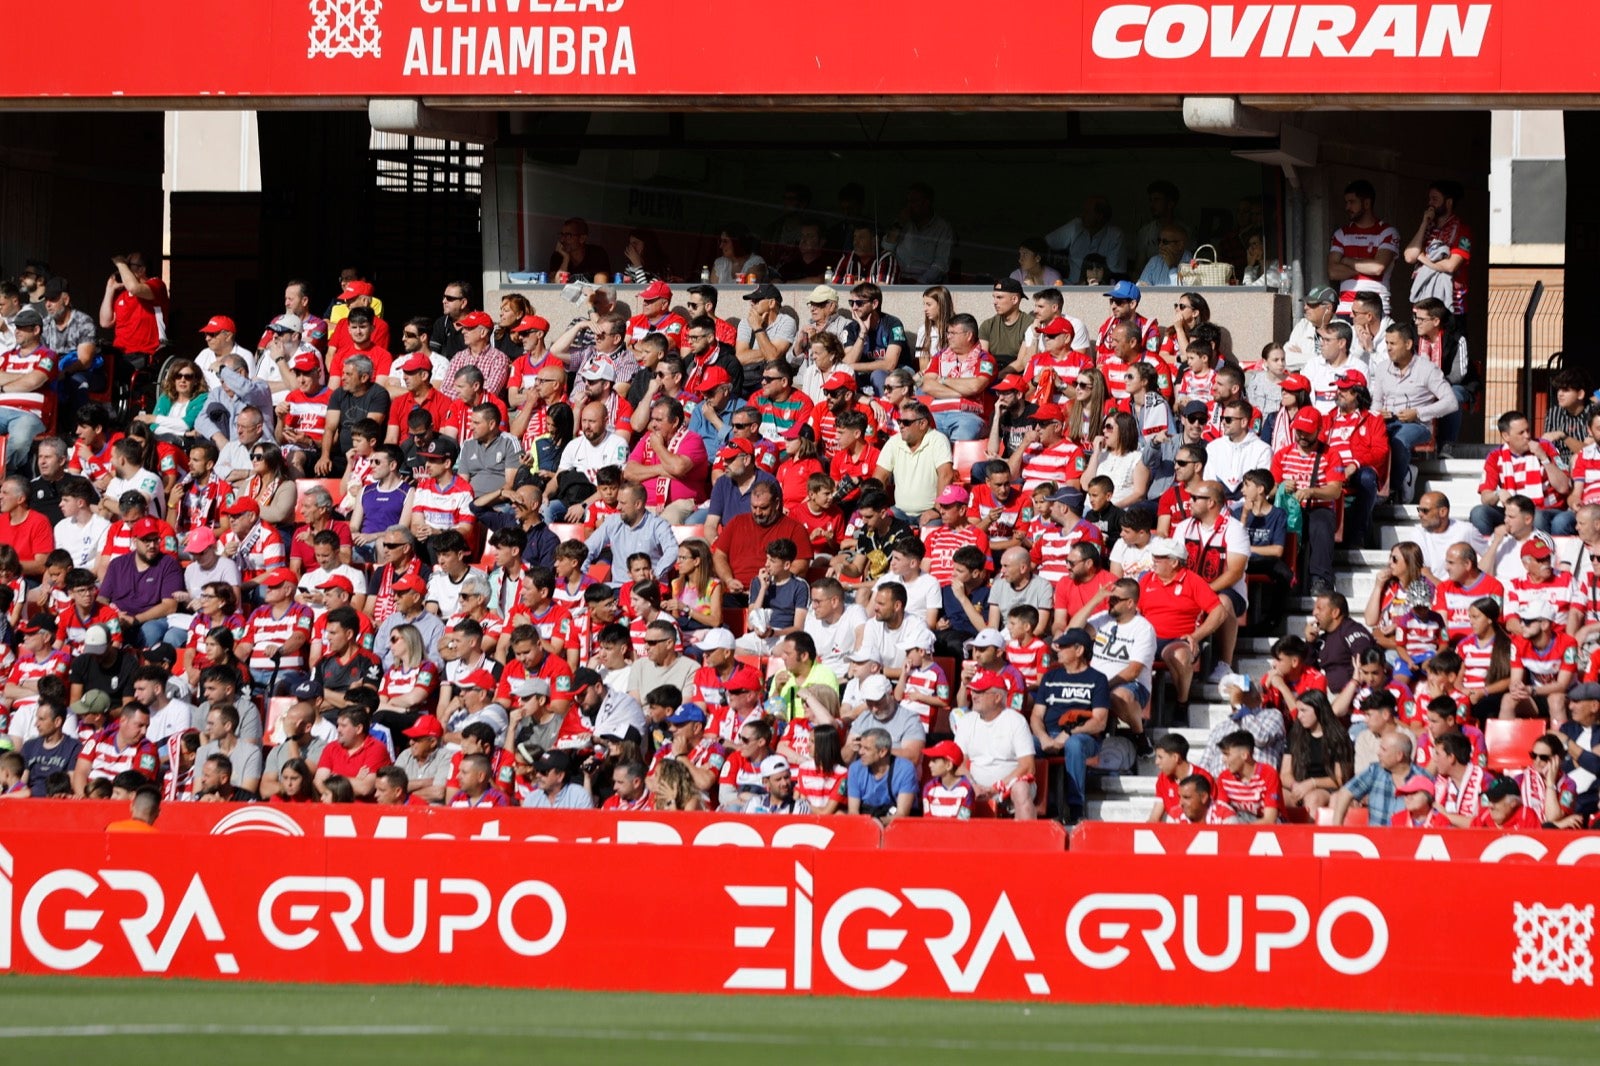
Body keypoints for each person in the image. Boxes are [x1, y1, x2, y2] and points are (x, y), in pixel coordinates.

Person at [1370, 322, 1457, 505]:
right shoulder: (1382, 368)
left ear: (1408, 345)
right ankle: (1393, 478)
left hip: (1417, 424)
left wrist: (1417, 413)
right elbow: (1376, 401)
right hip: (1387, 421)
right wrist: (1379, 413)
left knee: (1398, 440)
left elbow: (1451, 402)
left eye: (1393, 344)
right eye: (1387, 343)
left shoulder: (1427, 369)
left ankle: (1391, 490)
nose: (1388, 348)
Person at [1473, 409, 1575, 537]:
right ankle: (1490, 553)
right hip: (1513, 512)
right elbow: (1485, 497)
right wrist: (1498, 493)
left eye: (1528, 430)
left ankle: (1540, 553)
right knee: (1479, 513)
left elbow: (1564, 487)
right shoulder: (1495, 456)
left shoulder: (1546, 447)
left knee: (1536, 516)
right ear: (1506, 436)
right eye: (1521, 433)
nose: (1527, 436)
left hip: (1549, 509)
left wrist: (1544, 458)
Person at [1328, 179, 1400, 315]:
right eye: (1346, 202)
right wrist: (1363, 269)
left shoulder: (1387, 232)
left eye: (1352, 202)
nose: (1347, 207)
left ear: (1367, 203)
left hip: (1377, 310)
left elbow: (1378, 267)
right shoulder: (1341, 233)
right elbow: (1333, 272)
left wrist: (1346, 260)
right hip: (1346, 310)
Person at [845, 726, 917, 824]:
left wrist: (877, 822)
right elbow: (853, 811)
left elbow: (902, 814)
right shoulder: (855, 768)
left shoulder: (905, 769)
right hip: (865, 820)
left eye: (866, 749)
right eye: (860, 747)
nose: (860, 752)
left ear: (882, 752)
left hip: (894, 822)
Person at [1045, 194, 1127, 280]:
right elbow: (1045, 243)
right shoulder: (1076, 226)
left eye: (1087, 212)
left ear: (1099, 216)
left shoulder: (1115, 236)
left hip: (1099, 289)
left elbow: (1115, 273)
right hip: (1071, 287)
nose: (1083, 215)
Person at [1148, 733, 1210, 822]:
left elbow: (1213, 812)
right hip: (1173, 832)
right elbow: (1154, 818)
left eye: (1160, 757)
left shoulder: (1204, 778)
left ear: (1175, 757)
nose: (1156, 762)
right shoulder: (1163, 779)